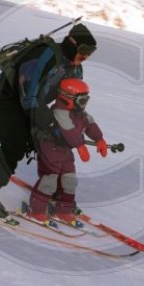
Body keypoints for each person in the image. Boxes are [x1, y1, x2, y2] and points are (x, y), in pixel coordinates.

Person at [0, 23, 97, 218]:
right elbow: (29, 93)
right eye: (84, 50)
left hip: (33, 105)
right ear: (72, 44)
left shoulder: (75, 70)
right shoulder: (46, 54)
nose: (86, 56)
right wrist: (49, 122)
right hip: (8, 96)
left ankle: (52, 190)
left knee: (50, 141)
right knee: (16, 143)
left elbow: (68, 103)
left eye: (91, 52)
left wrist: (67, 127)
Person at [27, 77, 108, 224]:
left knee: (70, 181)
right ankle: (36, 210)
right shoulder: (60, 111)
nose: (84, 105)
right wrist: (80, 146)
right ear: (68, 98)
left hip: (65, 152)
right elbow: (68, 130)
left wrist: (99, 139)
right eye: (81, 100)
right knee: (49, 180)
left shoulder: (80, 113)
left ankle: (63, 211)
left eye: (86, 100)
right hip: (50, 150)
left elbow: (90, 123)